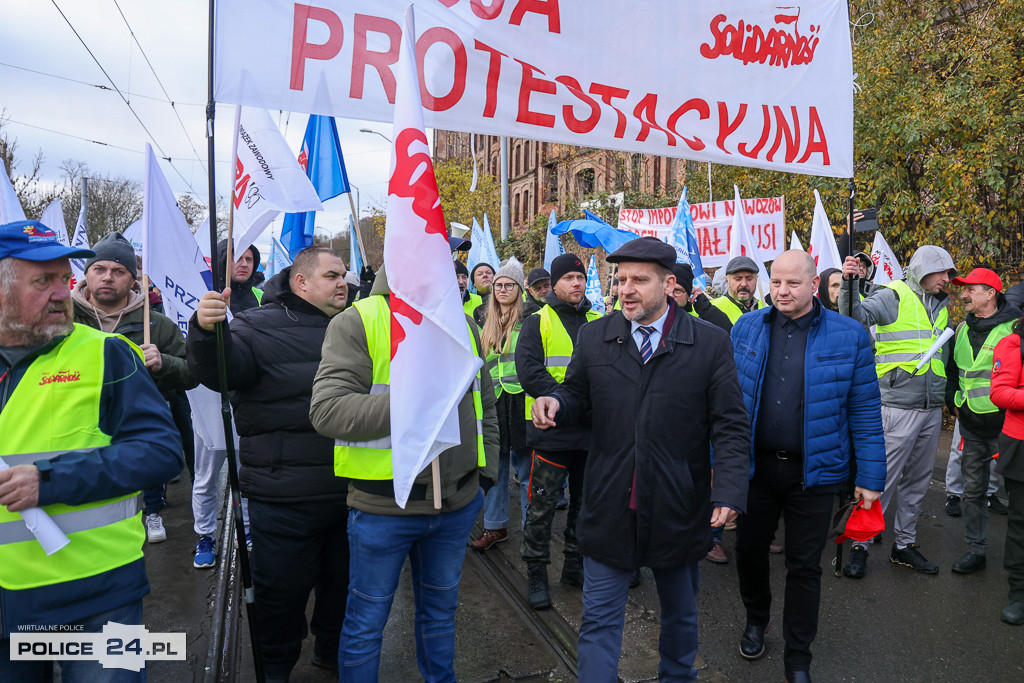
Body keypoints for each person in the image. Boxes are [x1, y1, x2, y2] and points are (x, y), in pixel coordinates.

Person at [530, 237, 751, 682]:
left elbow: (730, 423)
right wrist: (556, 402)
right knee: (598, 622)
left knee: (681, 620)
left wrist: (728, 489)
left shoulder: (708, 343)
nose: (626, 288)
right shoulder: (597, 335)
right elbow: (576, 392)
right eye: (620, 279)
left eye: (639, 280)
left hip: (677, 505)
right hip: (609, 503)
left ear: (669, 285)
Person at [0, 220, 182, 681]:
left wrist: (48, 480)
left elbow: (161, 451)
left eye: (64, 278)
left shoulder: (108, 353)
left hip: (101, 596)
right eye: (44, 281)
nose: (63, 293)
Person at [309, 263, 498, 682]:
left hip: (457, 504)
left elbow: (483, 400)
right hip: (382, 508)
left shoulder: (462, 322)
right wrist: (415, 397)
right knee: (365, 623)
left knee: (440, 615)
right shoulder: (358, 320)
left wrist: (486, 472)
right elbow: (327, 411)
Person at [188, 246, 352, 681]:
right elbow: (224, 372)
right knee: (281, 593)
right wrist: (206, 333)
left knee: (344, 588)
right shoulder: (255, 326)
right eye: (332, 275)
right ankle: (276, 667)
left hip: (353, 489)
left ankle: (331, 652)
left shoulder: (357, 324)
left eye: (344, 276)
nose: (343, 283)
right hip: (285, 496)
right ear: (301, 282)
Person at [732, 250, 885, 682]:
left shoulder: (849, 335)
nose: (782, 291)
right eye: (776, 282)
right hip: (755, 472)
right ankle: (756, 620)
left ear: (813, 284)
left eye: (792, 283)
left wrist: (870, 477)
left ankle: (798, 657)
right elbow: (726, 404)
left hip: (815, 475)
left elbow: (864, 411)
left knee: (803, 567)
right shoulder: (746, 328)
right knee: (749, 552)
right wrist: (716, 465)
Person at [839, 245, 956, 577]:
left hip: (930, 409)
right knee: (881, 481)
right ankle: (860, 545)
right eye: (943, 272)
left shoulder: (941, 305)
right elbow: (854, 318)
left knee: (917, 483)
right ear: (923, 269)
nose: (947, 280)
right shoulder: (894, 295)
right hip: (896, 406)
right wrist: (848, 285)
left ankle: (904, 545)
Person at [70, 232, 194, 544]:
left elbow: (191, 374)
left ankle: (152, 512)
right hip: (80, 422)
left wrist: (164, 362)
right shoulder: (64, 319)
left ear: (133, 278)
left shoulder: (156, 324)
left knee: (144, 477)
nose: (107, 277)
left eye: (118, 271)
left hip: (140, 422)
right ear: (86, 275)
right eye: (99, 269)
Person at [515, 253, 600, 609]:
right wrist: (563, 402)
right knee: (542, 505)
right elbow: (529, 371)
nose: (576, 284)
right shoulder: (538, 321)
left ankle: (574, 565)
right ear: (555, 284)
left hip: (592, 431)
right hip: (551, 429)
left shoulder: (601, 321)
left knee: (585, 504)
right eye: (568, 279)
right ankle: (536, 571)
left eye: (579, 278)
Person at [190, 242, 264, 568]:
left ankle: (246, 530)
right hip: (207, 404)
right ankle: (205, 535)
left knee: (247, 471)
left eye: (249, 259)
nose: (244, 264)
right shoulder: (200, 295)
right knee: (206, 475)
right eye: (236, 257)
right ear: (221, 261)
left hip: (244, 402)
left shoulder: (261, 298)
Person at [944, 268, 1019, 574]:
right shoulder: (961, 329)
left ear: (991, 294)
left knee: (1018, 496)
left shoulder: (1016, 328)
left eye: (970, 290)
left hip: (1009, 428)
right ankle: (977, 551)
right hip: (972, 427)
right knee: (973, 493)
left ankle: (1017, 561)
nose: (963, 296)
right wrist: (953, 403)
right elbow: (953, 374)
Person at [671, 263, 735, 565]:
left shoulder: (704, 327)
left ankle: (712, 539)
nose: (672, 296)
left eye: (679, 291)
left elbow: (727, 331)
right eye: (668, 289)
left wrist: (702, 303)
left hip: (701, 424)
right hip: (666, 428)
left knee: (707, 479)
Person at [470, 260, 531, 550]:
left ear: (519, 289)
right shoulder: (481, 316)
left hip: (521, 398)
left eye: (509, 285)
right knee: (495, 468)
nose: (503, 289)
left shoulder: (532, 316)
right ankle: (495, 527)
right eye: (499, 285)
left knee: (527, 469)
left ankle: (531, 530)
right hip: (493, 399)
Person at [988, 311, 1024, 625]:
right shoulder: (1013, 343)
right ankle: (1019, 592)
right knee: (1021, 523)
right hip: (1021, 445)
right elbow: (999, 393)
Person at [944, 419, 1004, 517]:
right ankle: (953, 495)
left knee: (995, 452)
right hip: (968, 410)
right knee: (961, 451)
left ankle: (988, 494)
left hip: (997, 413)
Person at [711, 256, 767, 323]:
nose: (744, 284)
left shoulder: (766, 308)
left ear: (756, 280)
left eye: (749, 279)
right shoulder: (714, 308)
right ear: (727, 281)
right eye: (738, 279)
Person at [216, 239, 262, 312]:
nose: (244, 264)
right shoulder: (211, 295)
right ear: (223, 263)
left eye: (249, 259)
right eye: (237, 259)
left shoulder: (263, 296)